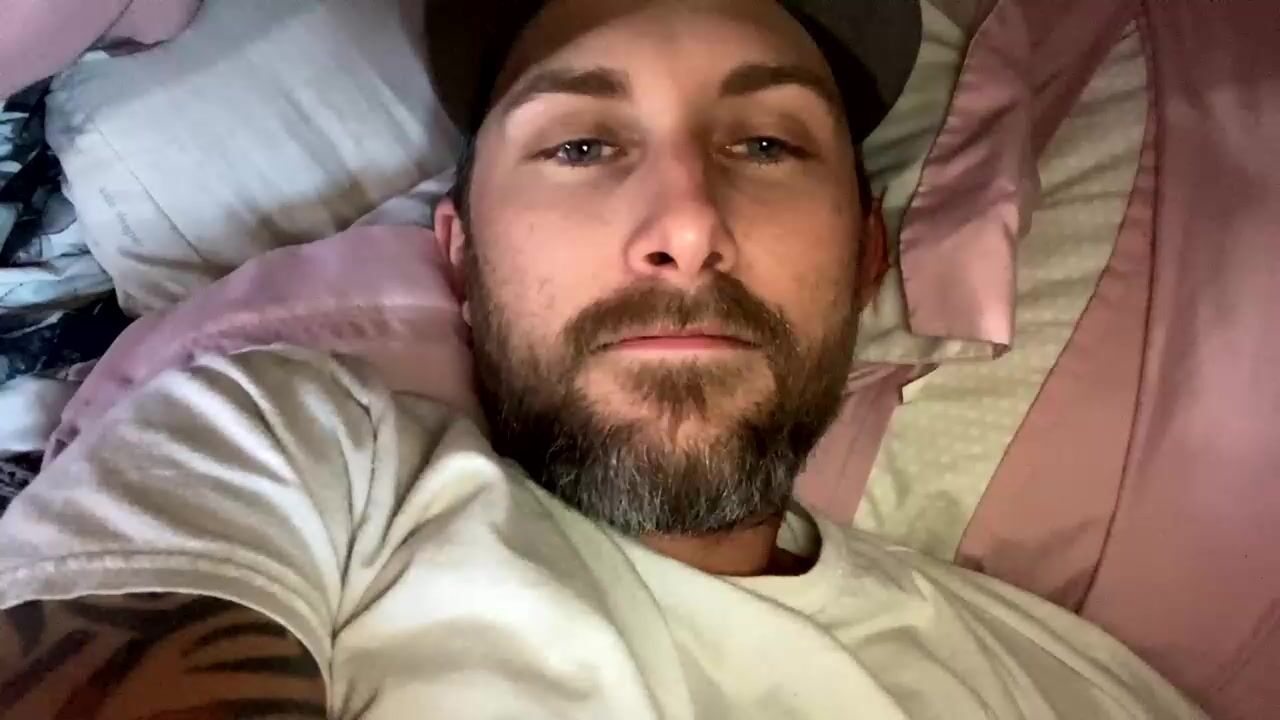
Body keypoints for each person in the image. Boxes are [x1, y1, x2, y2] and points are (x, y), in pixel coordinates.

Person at [0, 0, 1203, 718]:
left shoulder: (1069, 688)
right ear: (461, 256)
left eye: (766, 143)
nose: (685, 224)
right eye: (579, 144)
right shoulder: (272, 453)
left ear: (867, 254)